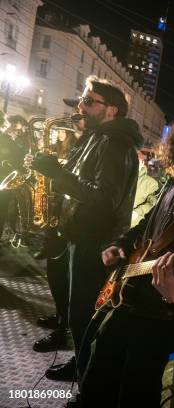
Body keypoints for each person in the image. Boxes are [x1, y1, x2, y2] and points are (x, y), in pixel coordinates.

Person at [79, 114, 174, 407]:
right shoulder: (172, 185)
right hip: (128, 295)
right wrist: (120, 245)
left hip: (160, 314)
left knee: (137, 388)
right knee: (98, 369)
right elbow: (145, 227)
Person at [26, 76, 143, 382]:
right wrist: (49, 169)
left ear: (112, 110)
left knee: (85, 315)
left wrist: (59, 176)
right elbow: (79, 180)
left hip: (96, 241)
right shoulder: (97, 137)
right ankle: (81, 366)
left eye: (89, 101)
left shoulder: (115, 144)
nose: (80, 106)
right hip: (80, 234)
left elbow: (104, 199)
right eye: (82, 100)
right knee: (78, 313)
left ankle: (88, 380)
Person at [33, 97, 87, 352]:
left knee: (67, 281)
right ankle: (60, 317)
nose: (78, 111)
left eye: (84, 105)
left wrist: (54, 170)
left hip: (71, 221)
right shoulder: (83, 146)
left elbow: (81, 185)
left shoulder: (88, 145)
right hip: (59, 216)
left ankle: (65, 329)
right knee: (55, 275)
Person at [131, 150, 159, 227]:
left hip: (127, 225)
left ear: (143, 163)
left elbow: (153, 203)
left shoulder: (151, 183)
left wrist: (138, 212)